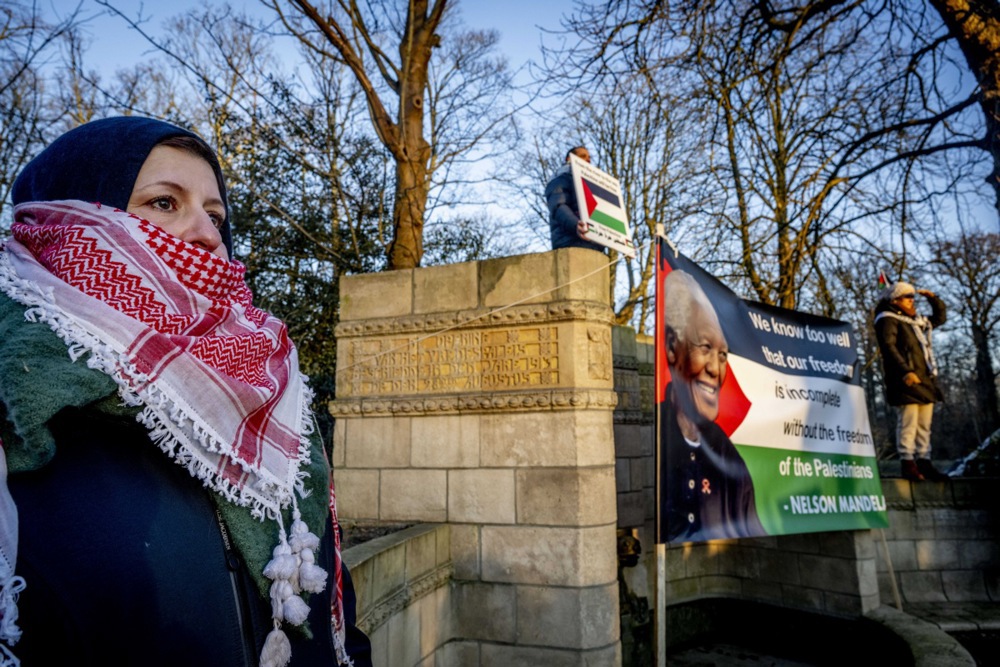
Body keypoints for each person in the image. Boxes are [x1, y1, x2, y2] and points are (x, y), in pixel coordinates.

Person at [0, 117, 371, 666]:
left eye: (215, 215)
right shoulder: (16, 393)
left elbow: (339, 615)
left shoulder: (277, 394)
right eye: (165, 203)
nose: (208, 234)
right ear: (67, 221)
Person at [660, 270, 765, 543]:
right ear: (672, 347)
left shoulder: (731, 461)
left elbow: (755, 537)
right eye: (705, 347)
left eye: (722, 355)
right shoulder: (654, 437)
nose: (715, 369)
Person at [874, 281, 948, 482]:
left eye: (913, 297)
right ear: (895, 300)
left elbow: (940, 318)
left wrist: (933, 298)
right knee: (909, 422)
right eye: (907, 297)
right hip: (906, 379)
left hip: (924, 377)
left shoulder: (915, 321)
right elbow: (888, 346)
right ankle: (907, 462)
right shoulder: (887, 319)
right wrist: (905, 371)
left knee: (924, 425)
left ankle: (924, 461)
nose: (912, 300)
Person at [544, 146, 606, 252]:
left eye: (589, 157)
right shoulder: (561, 179)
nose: (588, 160)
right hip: (570, 243)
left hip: (595, 246)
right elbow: (558, 206)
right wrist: (575, 225)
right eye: (583, 156)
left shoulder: (590, 185)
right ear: (569, 159)